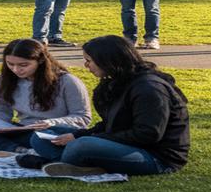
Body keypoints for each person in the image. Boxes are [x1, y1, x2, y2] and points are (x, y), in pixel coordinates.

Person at [20, 35, 189, 177]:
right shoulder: (117, 82)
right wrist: (78, 134)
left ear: (108, 61)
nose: (86, 66)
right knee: (41, 135)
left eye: (89, 61)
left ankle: (61, 162)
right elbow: (110, 124)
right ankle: (79, 164)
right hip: (124, 143)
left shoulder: (149, 89)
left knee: (82, 145)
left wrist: (84, 139)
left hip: (154, 156)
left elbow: (148, 134)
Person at [0, 38, 91, 153]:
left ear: (40, 61)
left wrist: (51, 122)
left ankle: (8, 147)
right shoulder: (5, 79)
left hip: (54, 130)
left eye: (23, 65)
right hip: (20, 129)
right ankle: (14, 149)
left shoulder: (67, 81)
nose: (16, 69)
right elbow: (1, 111)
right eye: (10, 64)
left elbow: (82, 118)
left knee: (38, 138)